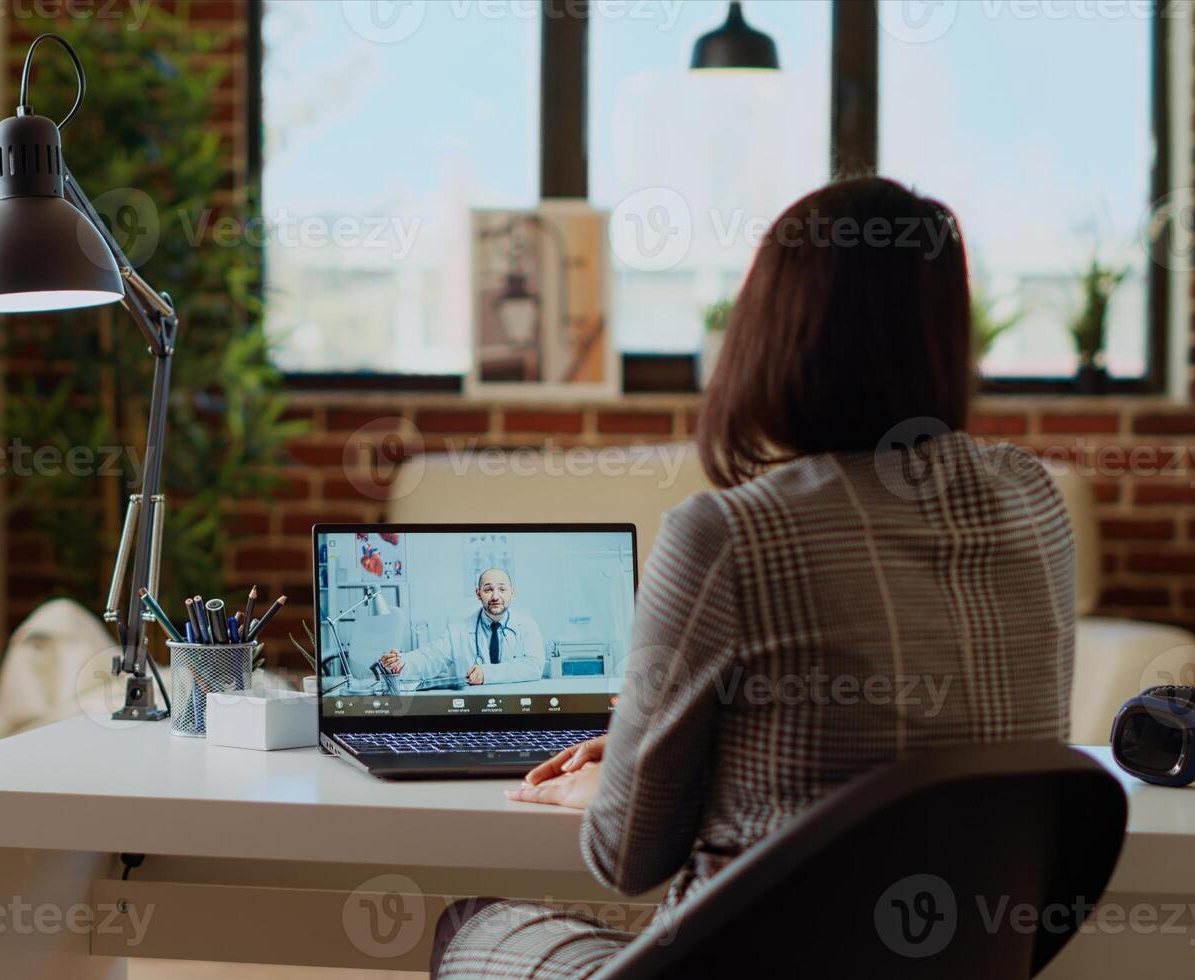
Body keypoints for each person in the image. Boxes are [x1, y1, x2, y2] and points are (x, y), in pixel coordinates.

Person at [430, 177, 1075, 978]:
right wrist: (660, 752)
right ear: (944, 336)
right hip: (961, 957)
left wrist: (616, 786)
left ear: (770, 329)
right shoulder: (1032, 496)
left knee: (470, 923)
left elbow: (625, 859)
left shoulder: (731, 533)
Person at [380, 568, 545, 686]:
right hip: (472, 709)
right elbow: (430, 657)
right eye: (488, 589)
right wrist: (402, 662)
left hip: (516, 709)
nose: (495, 596)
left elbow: (534, 667)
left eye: (502, 589)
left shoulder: (527, 624)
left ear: (512, 593)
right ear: (478, 593)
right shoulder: (458, 629)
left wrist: (486, 673)